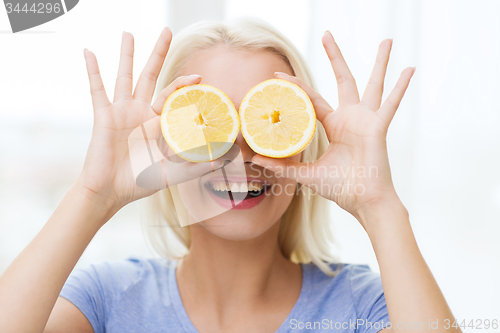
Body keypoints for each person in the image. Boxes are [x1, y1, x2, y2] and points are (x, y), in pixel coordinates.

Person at [0, 17, 460, 333]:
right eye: (208, 124)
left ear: (306, 142)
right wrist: (92, 195)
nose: (240, 154)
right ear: (165, 144)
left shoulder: (363, 307)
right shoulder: (105, 298)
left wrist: (379, 207)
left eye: (268, 122)